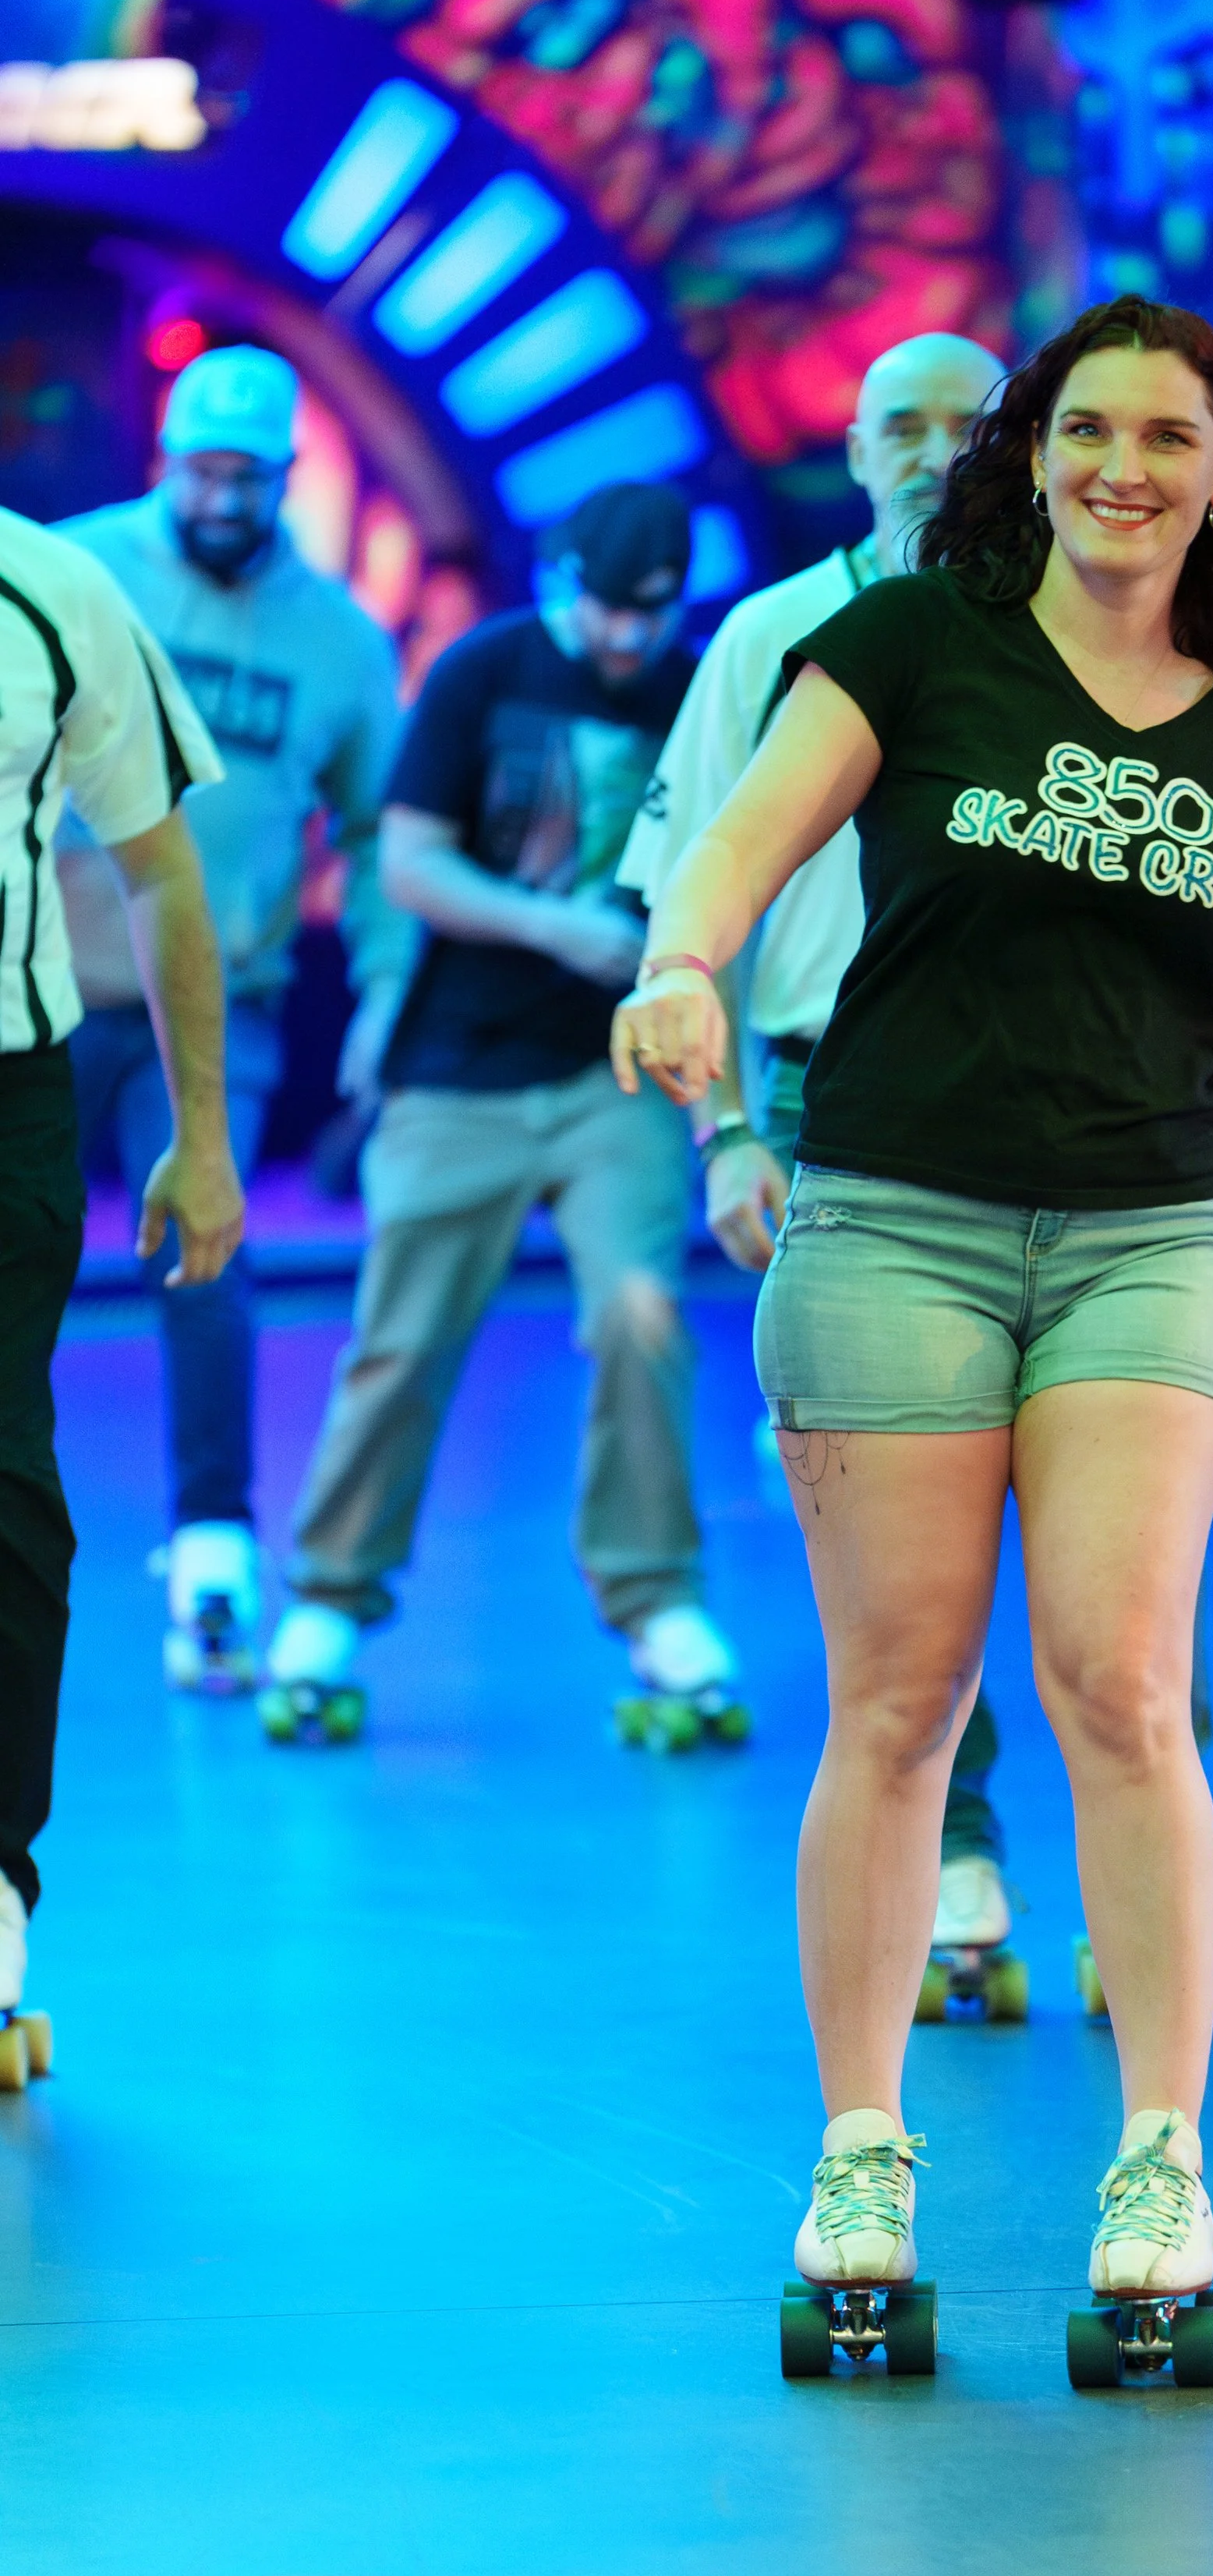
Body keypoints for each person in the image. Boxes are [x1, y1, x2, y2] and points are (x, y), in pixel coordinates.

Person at [611, 296, 1213, 2316]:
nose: (1119, 466)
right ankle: (862, 2155)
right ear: (1030, 456)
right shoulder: (907, 642)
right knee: (894, 1704)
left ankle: (1158, 2163)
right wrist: (681, 964)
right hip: (893, 1222)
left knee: (1121, 1689)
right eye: (1083, 428)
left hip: (1144, 1238)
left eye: (1164, 436)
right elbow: (732, 853)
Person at [618, 331, 1032, 1965]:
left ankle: (1154, 1846)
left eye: (968, 424)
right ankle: (965, 1839)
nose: (934, 451)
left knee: (1100, 1507)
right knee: (901, 1508)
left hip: (1056, 1103)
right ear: (854, 457)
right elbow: (685, 891)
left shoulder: (1093, 637)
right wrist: (722, 1129)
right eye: (900, 427)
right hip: (824, 1102)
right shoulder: (771, 638)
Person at [260, 483, 737, 1735]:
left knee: (642, 1314)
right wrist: (560, 927)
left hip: (613, 1076)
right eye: (603, 611)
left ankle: (656, 1600)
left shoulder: (701, 687)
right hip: (456, 1069)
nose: (625, 641)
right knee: (403, 1339)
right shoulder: (484, 666)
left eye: (649, 616)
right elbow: (406, 862)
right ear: (557, 575)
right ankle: (330, 1597)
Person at [55, 345, 410, 1688]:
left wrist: (381, 992)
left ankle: (213, 1550)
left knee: (209, 1248)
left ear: (283, 477)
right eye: (201, 469)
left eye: (247, 475)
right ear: (165, 463)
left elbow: (380, 835)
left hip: (220, 1005)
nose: (221, 495)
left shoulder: (339, 640)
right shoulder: (75, 573)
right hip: (43, 983)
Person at [0, 503, 241, 2072]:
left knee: (2, 1476)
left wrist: (202, 1131)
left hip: (6, 1090)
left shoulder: (52, 585)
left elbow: (158, 868)